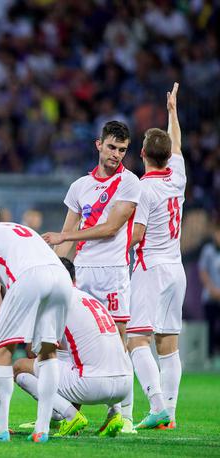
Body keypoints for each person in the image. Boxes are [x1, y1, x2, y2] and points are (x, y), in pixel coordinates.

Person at [42, 120, 141, 431]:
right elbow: (68, 234)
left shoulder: (129, 183)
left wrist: (63, 237)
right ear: (99, 144)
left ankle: (121, 415)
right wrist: (56, 274)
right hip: (82, 272)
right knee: (72, 344)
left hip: (112, 272)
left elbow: (111, 228)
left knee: (118, 340)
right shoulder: (79, 187)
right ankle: (69, 414)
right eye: (112, 147)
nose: (116, 155)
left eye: (122, 150)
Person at [0, 201, 72, 443]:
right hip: (61, 277)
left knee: (1, 350)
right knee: (48, 351)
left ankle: (0, 429)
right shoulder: (16, 228)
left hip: (31, 277)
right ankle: (42, 430)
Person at [14, 257, 133, 438]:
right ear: (74, 279)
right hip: (125, 386)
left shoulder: (55, 300)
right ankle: (114, 414)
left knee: (20, 367)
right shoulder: (90, 299)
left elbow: (38, 351)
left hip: (93, 384)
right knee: (77, 358)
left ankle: (70, 416)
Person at [128, 83, 185, 430]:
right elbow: (175, 143)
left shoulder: (143, 188)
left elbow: (136, 235)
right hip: (176, 268)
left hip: (150, 268)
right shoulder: (177, 177)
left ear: (143, 154)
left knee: (136, 339)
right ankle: (171, 415)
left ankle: (156, 405)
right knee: (168, 343)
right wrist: (173, 112)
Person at [200, 222, 220, 358]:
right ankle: (209, 356)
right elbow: (203, 271)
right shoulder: (208, 250)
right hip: (210, 296)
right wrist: (212, 289)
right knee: (210, 328)